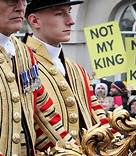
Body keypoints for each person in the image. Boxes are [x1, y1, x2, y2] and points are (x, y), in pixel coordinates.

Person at [0, 0, 80, 155]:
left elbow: (45, 121)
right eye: (11, 0)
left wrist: (74, 151)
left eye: (24, 0)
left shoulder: (24, 53)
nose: (20, 7)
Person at [23, 0, 113, 144]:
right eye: (59, 14)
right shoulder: (21, 66)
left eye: (69, 12)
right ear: (34, 21)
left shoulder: (77, 69)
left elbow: (98, 115)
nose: (71, 21)